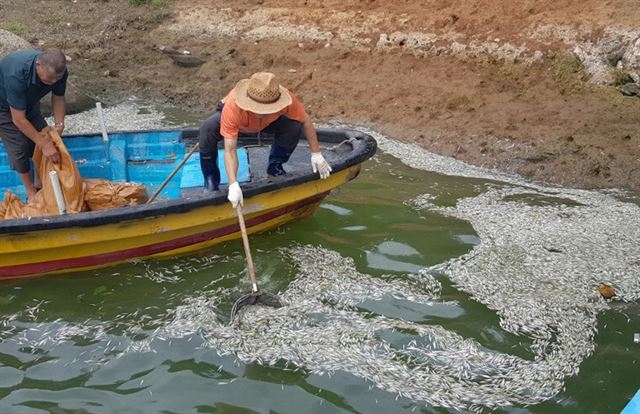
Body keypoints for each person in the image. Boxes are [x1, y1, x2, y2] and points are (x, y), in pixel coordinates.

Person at [198, 71, 332, 208]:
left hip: (267, 125)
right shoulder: (233, 105)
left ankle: (275, 168)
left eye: (267, 108)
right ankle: (211, 181)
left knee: (293, 125)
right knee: (208, 128)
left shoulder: (288, 100)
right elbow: (230, 150)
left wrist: (316, 154)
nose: (261, 112)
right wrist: (233, 184)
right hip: (239, 125)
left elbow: (306, 121)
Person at [0, 48, 67, 202]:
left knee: (43, 135)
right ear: (38, 65)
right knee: (20, 146)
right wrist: (44, 144)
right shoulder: (16, 75)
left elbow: (58, 97)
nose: (53, 82)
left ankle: (39, 181)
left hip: (29, 103)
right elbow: (18, 119)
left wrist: (59, 125)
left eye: (56, 79)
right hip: (3, 107)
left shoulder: (58, 72)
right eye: (49, 79)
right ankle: (30, 190)